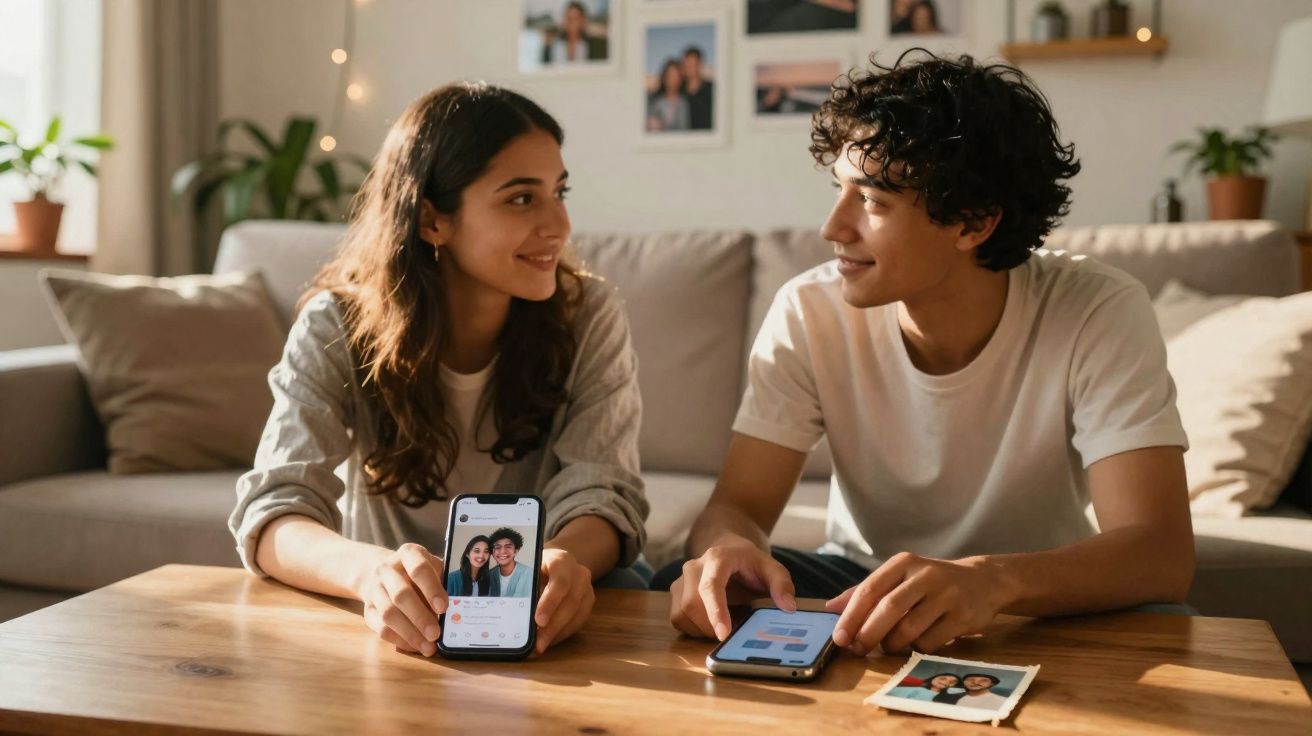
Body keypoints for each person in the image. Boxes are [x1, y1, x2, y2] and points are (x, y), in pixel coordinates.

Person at [656, 50, 1194, 659]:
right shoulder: (809, 309)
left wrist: (992, 580)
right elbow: (738, 507)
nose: (833, 227)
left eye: (872, 202)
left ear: (973, 223)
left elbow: (1159, 552)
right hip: (859, 585)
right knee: (683, 591)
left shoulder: (1097, 309)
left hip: (1037, 594)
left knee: (1163, 616)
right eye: (840, 191)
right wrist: (726, 548)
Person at [229, 82, 649, 660]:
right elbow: (275, 511)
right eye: (522, 199)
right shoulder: (338, 324)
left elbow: (604, 491)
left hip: (538, 619)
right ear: (432, 219)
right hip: (400, 627)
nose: (560, 224)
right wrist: (371, 574)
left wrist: (562, 559)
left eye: (560, 191)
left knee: (632, 584)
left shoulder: (588, 316)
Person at [647, 59, 690, 132]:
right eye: (670, 75)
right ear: (664, 78)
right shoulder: (655, 103)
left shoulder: (685, 103)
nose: (673, 80)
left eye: (677, 75)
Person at [490, 527, 534, 598]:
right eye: (498, 547)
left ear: (516, 551)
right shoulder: (489, 575)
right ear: (492, 553)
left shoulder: (529, 574)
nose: (502, 551)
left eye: (508, 547)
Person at [681, 47, 713, 130]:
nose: (688, 68)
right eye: (686, 65)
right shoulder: (679, 91)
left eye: (692, 65)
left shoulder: (712, 89)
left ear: (700, 64)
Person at [889, 673, 961, 702]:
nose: (946, 682)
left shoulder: (952, 697)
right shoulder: (918, 689)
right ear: (933, 679)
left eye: (952, 682)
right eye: (942, 678)